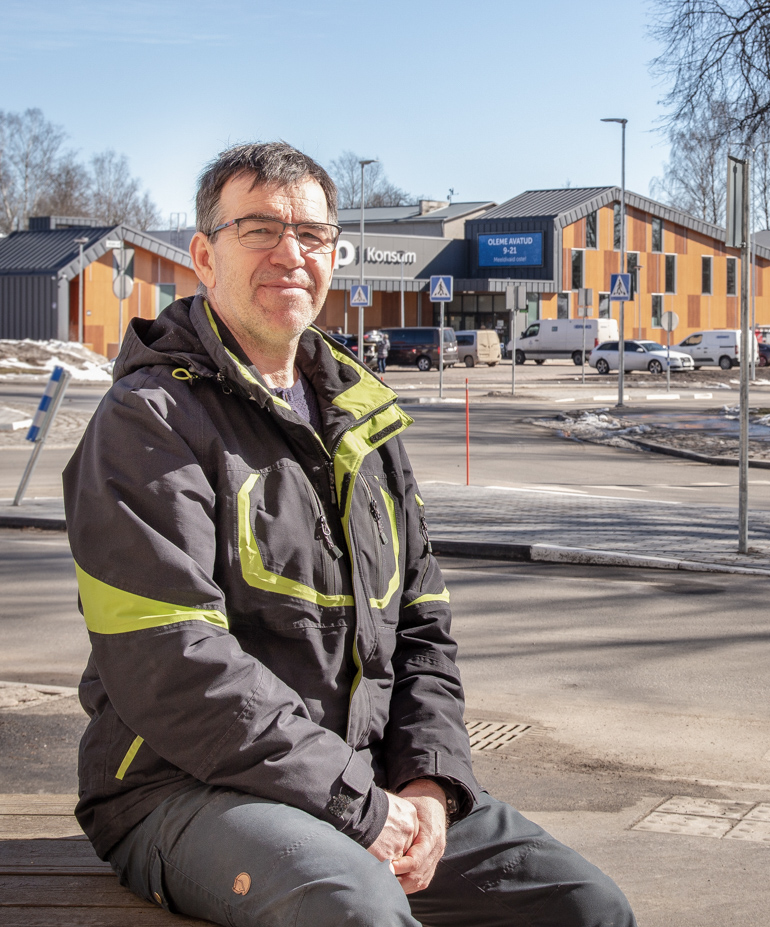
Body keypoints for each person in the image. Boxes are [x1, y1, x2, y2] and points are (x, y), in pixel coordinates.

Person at [63, 142, 634, 927]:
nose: (290, 255)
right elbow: (173, 664)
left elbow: (424, 634)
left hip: (365, 785)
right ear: (204, 254)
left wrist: (429, 784)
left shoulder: (364, 424)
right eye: (259, 229)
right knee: (353, 909)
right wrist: (359, 804)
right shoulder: (148, 421)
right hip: (180, 788)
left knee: (586, 907)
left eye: (313, 236)